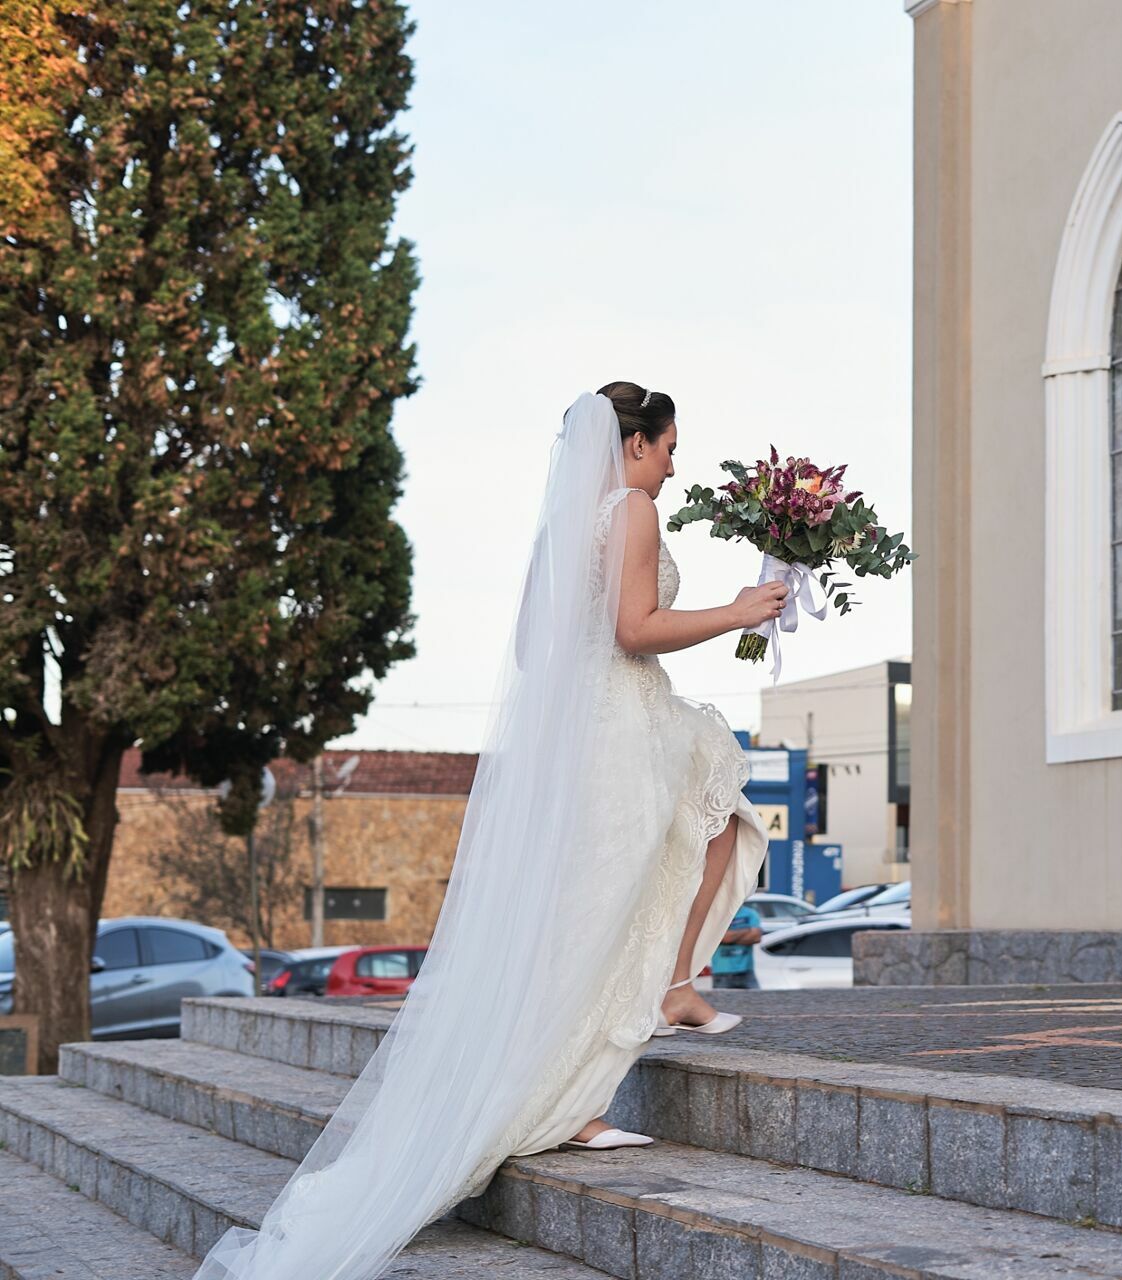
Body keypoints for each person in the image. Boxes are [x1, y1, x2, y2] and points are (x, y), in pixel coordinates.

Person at [195, 386, 784, 1279]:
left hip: (600, 727)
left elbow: (529, 655)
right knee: (613, 904)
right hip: (624, 726)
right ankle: (579, 1085)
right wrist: (739, 612)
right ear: (633, 444)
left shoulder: (563, 528)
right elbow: (635, 629)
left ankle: (668, 994)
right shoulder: (632, 509)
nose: (674, 465)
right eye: (669, 447)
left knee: (675, 840)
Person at [709, 902, 764, 989]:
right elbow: (723, 938)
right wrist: (747, 931)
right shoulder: (715, 915)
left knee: (755, 998)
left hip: (746, 971)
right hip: (722, 972)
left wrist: (730, 937)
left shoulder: (751, 914)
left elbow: (756, 937)